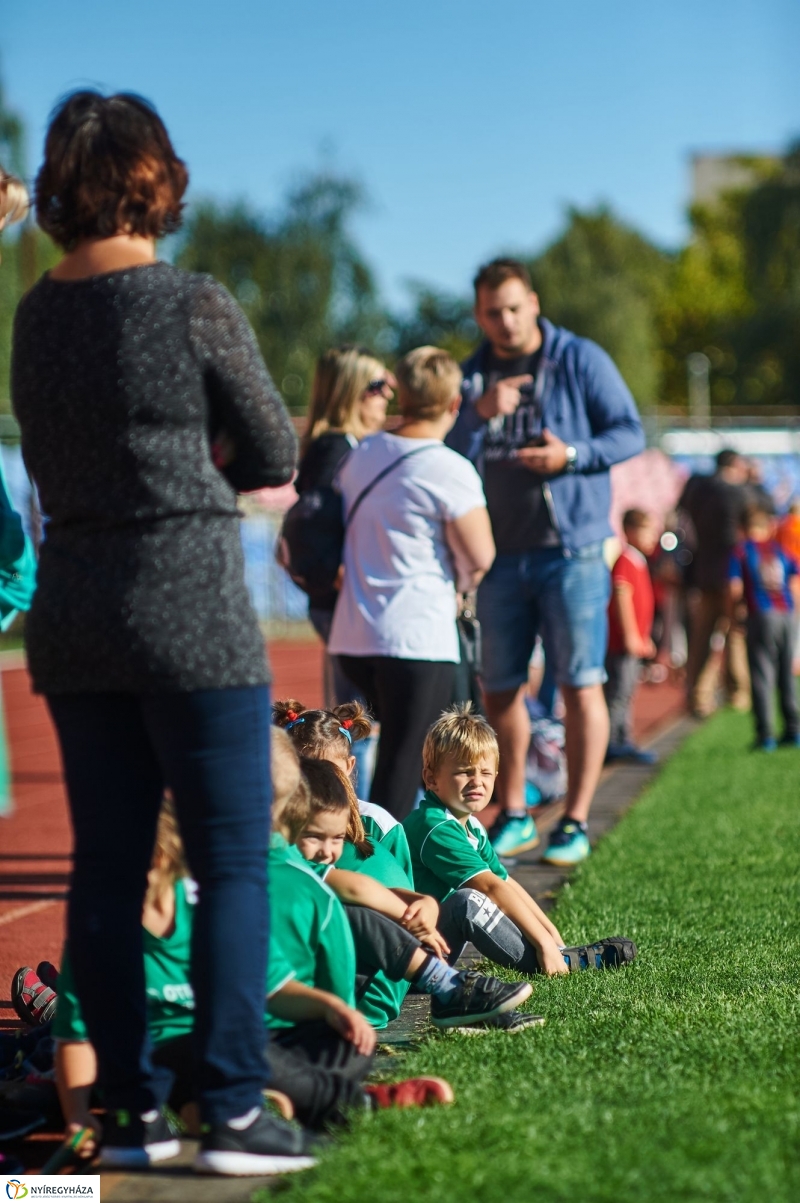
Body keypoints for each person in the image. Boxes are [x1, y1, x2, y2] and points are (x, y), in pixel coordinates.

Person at [11, 91, 307, 1175]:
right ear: (156, 179)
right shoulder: (191, 302)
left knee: (104, 866)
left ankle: (128, 1113)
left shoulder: (34, 313)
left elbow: (51, 459)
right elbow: (274, 448)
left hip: (77, 609)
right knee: (232, 861)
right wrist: (200, 456)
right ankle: (232, 1104)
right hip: (185, 604)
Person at [446, 258, 645, 863]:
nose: (504, 322)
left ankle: (575, 821)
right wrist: (478, 413)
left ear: (533, 302)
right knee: (501, 689)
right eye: (491, 312)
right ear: (478, 314)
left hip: (573, 550)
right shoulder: (471, 376)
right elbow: (444, 450)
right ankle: (514, 812)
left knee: (579, 681)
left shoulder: (578, 358)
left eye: (512, 307)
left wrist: (572, 455)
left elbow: (629, 432)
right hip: (501, 557)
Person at [329, 346, 495, 820]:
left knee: (380, 755)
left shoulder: (364, 453)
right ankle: (381, 877)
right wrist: (462, 581)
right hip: (417, 635)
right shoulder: (448, 468)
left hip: (354, 633)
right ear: (454, 404)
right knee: (406, 767)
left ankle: (366, 857)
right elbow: (481, 555)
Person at [292, 757, 536, 1032]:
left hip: (376, 986)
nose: (327, 850)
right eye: (315, 837)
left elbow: (499, 879)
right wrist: (408, 910)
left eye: (337, 838)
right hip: (345, 1002)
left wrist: (421, 902)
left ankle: (463, 998)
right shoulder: (289, 862)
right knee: (358, 914)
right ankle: (448, 987)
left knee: (457, 903)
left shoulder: (376, 821)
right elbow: (355, 887)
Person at [403, 706, 639, 975]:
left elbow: (504, 881)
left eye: (486, 773)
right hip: (409, 960)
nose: (477, 782)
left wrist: (552, 936)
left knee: (474, 899)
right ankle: (563, 964)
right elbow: (491, 888)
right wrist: (543, 945)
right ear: (431, 779)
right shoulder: (435, 826)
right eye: (464, 772)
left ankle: (563, 956)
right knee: (467, 903)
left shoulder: (469, 824)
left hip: (426, 948)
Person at [273, 697, 413, 879]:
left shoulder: (377, 824)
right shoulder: (277, 821)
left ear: (349, 766)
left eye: (329, 770)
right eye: (306, 770)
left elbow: (403, 881)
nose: (318, 780)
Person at [679, 449, 751, 718]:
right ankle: (737, 693)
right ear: (734, 464)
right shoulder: (735, 491)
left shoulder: (698, 489)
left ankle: (698, 695)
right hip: (729, 572)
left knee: (702, 636)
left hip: (704, 569)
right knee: (734, 633)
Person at [728, 503, 800, 750]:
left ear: (742, 528)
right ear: (767, 527)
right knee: (785, 673)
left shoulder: (741, 551)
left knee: (761, 674)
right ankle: (793, 729)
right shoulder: (780, 550)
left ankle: (766, 734)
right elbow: (795, 580)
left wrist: (733, 616)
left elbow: (734, 588)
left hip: (761, 614)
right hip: (786, 615)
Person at [605, 510, 659, 764]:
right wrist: (631, 636)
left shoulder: (638, 560)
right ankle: (615, 743)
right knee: (619, 693)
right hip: (621, 645)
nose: (653, 537)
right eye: (648, 530)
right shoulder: (626, 560)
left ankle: (621, 740)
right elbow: (622, 597)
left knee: (626, 692)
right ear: (630, 531)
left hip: (633, 642)